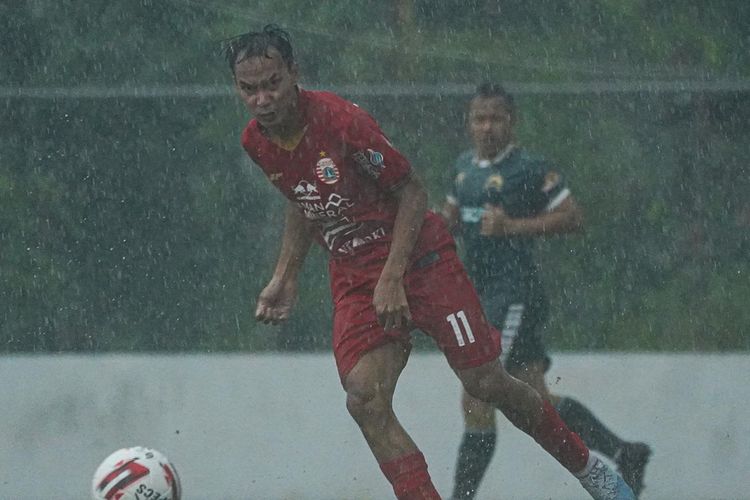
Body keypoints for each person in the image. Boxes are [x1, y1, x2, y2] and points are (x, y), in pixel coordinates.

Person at [225, 24, 635, 500]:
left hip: (421, 260)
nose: (262, 99)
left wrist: (393, 275)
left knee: (485, 382)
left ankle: (591, 470)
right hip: (356, 277)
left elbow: (413, 193)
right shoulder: (255, 141)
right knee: (364, 399)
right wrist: (286, 275)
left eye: (272, 84)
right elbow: (302, 198)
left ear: (294, 73)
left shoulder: (341, 122)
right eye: (248, 89)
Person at [441, 83, 652, 500]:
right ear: (468, 122)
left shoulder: (530, 169)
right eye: (479, 118)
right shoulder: (463, 168)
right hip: (481, 294)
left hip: (515, 291)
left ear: (511, 121)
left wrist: (512, 226)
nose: (487, 127)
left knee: (478, 390)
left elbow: (573, 217)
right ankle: (624, 452)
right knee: (534, 396)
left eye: (495, 118)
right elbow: (448, 220)